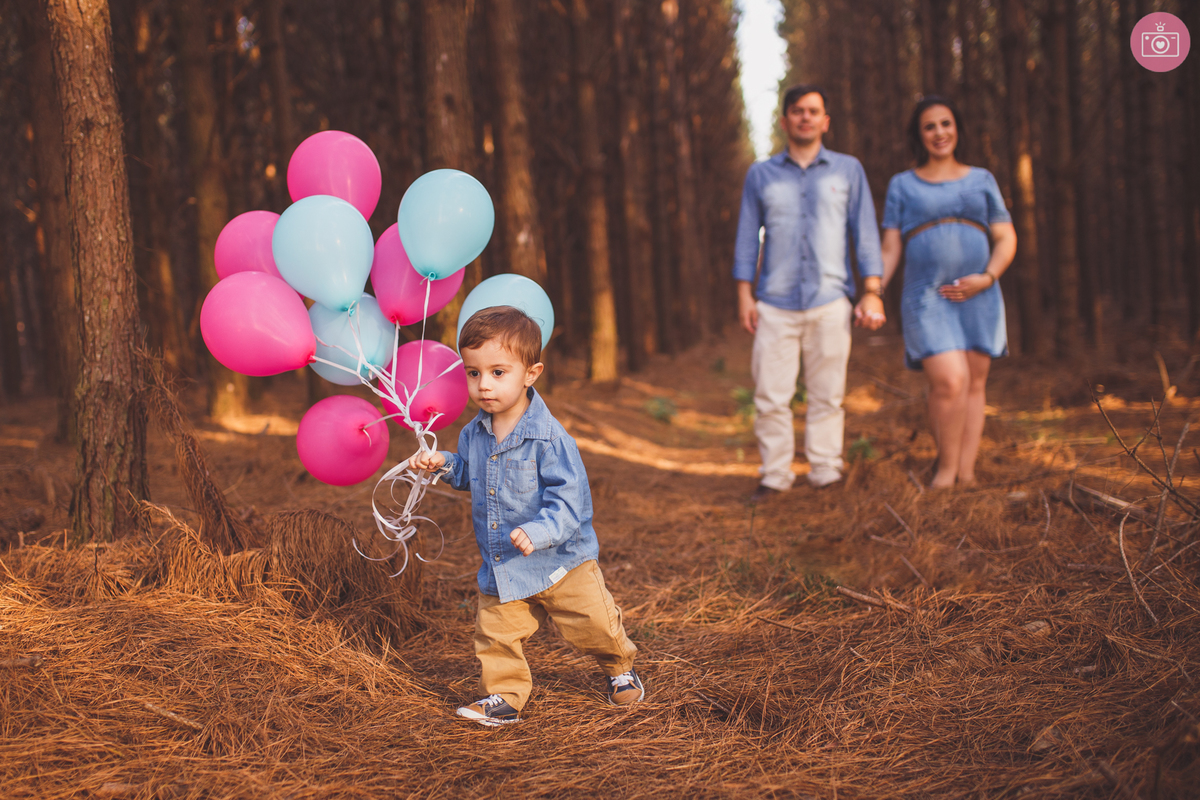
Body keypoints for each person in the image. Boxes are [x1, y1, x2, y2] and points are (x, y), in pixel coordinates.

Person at [407, 306, 641, 726]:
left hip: (561, 564)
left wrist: (540, 530)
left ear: (531, 374)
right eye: (473, 373)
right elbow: (471, 475)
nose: (484, 384)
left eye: (498, 372)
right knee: (495, 633)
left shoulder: (549, 439)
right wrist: (443, 463)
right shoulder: (473, 433)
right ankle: (504, 696)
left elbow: (570, 500)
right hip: (505, 563)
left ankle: (619, 667)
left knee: (594, 624)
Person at [733, 84, 885, 501]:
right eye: (798, 111)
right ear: (785, 121)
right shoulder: (761, 174)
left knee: (828, 395)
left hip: (830, 300)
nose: (806, 117)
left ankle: (825, 472)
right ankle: (775, 476)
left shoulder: (848, 170)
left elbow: (865, 232)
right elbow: (747, 237)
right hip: (774, 303)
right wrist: (745, 294)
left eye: (813, 111)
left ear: (825, 121)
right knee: (770, 396)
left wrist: (872, 290)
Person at [877, 96, 1017, 488]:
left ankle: (966, 474)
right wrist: (874, 290)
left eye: (945, 123)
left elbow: (1006, 237)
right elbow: (890, 248)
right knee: (949, 381)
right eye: (929, 126)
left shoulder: (982, 179)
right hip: (927, 296)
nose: (939, 132)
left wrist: (987, 277)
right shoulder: (903, 184)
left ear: (956, 128)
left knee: (974, 383)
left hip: (980, 294)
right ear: (919, 135)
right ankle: (945, 472)